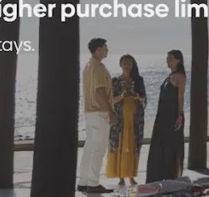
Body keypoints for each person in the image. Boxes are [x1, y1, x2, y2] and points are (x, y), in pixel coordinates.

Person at [77, 38, 114, 194]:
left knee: (89, 148)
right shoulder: (98, 67)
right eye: (105, 47)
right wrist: (110, 111)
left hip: (90, 113)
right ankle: (93, 183)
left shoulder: (88, 66)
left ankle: (83, 181)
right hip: (100, 113)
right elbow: (100, 91)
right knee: (99, 149)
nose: (107, 50)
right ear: (98, 50)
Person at [145, 49, 187, 182]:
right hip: (162, 115)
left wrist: (180, 115)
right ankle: (157, 177)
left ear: (178, 60)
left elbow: (180, 97)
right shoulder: (170, 76)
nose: (167, 61)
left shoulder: (180, 76)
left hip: (172, 115)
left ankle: (171, 177)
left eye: (171, 58)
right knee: (159, 146)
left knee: (171, 147)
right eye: (167, 58)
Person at [106, 54, 147, 187]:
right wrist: (122, 96)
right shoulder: (116, 81)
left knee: (133, 146)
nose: (127, 65)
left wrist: (137, 96)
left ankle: (131, 176)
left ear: (132, 65)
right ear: (121, 64)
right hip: (120, 118)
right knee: (119, 145)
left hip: (135, 118)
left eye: (129, 63)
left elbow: (144, 99)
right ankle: (120, 177)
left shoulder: (138, 80)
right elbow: (111, 100)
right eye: (125, 63)